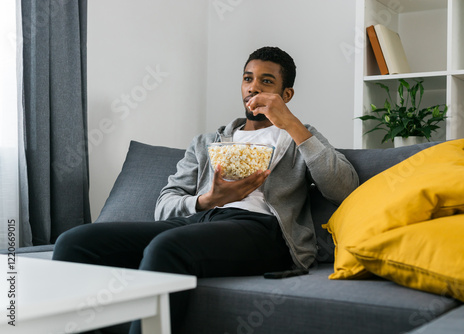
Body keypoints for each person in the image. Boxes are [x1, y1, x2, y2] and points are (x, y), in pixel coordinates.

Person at [52, 46, 359, 333]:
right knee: (75, 242)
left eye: (266, 81)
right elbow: (164, 205)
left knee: (166, 249)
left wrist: (292, 124)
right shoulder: (206, 143)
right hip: (200, 222)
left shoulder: (298, 138)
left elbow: (344, 188)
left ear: (286, 93)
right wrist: (207, 200)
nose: (253, 88)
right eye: (248, 79)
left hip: (263, 231)